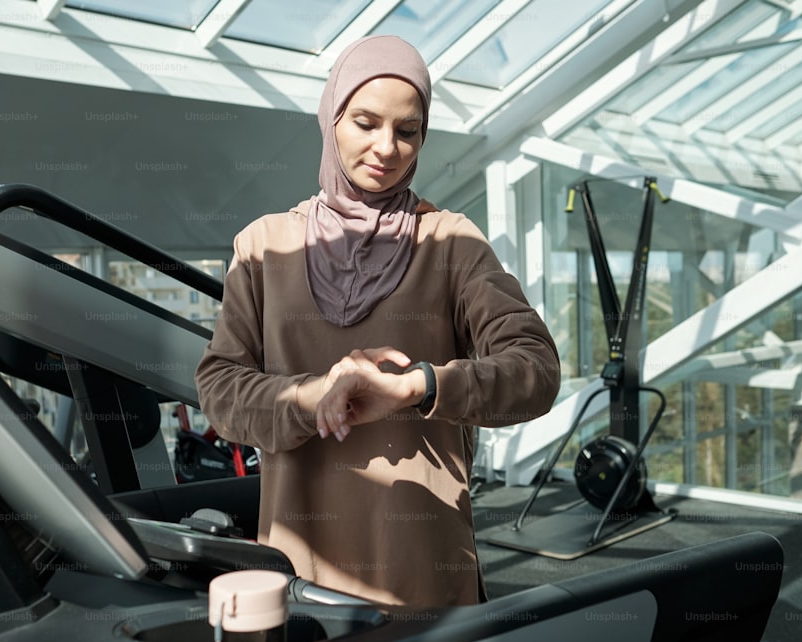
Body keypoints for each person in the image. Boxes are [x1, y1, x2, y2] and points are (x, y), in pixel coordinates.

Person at [195, 35, 560, 608]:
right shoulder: (265, 246)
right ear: (331, 118)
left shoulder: (450, 241)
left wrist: (420, 386)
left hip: (424, 569)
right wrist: (315, 397)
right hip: (300, 572)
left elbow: (535, 371)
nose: (387, 148)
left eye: (407, 130)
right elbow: (219, 391)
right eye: (365, 122)